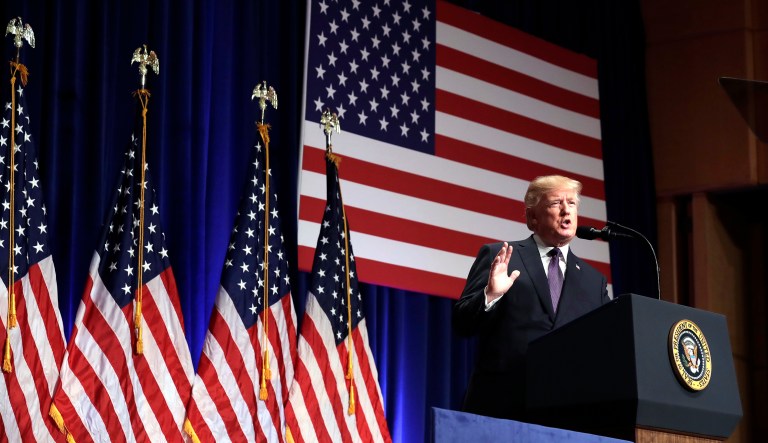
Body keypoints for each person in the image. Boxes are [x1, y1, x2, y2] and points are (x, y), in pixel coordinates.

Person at [452, 174, 610, 420]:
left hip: (568, 414)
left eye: (572, 203)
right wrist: (490, 295)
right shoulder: (501, 256)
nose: (566, 210)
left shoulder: (593, 281)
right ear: (532, 217)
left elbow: (606, 346)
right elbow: (462, 323)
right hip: (501, 407)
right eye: (556, 203)